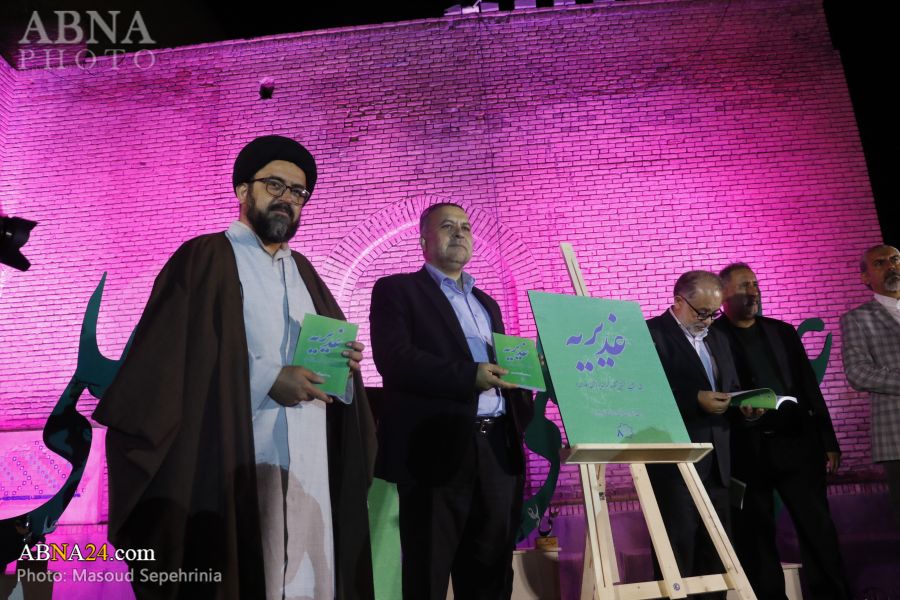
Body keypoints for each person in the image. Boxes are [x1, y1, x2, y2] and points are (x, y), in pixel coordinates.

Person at [93, 135, 376, 600]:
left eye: (298, 192)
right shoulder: (204, 258)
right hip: (235, 458)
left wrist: (344, 368)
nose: (287, 198)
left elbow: (326, 365)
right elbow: (168, 362)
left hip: (310, 460)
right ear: (244, 190)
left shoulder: (306, 272)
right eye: (275, 185)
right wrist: (269, 379)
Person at [368, 202, 533, 600]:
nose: (460, 232)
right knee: (428, 571)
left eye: (466, 226)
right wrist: (468, 376)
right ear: (423, 240)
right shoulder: (397, 290)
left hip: (497, 450)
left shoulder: (487, 303)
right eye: (447, 226)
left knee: (491, 572)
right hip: (435, 451)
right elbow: (394, 358)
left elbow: (505, 369)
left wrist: (531, 373)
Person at [714, 262, 849, 600]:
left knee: (817, 528)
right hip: (746, 451)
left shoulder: (782, 331)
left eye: (755, 285)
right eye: (744, 286)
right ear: (723, 295)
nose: (753, 292)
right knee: (755, 535)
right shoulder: (712, 337)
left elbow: (809, 387)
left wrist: (828, 440)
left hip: (797, 444)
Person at [646, 270, 739, 598]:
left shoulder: (718, 338)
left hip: (718, 462)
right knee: (677, 553)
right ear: (678, 301)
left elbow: (730, 385)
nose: (709, 321)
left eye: (715, 313)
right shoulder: (650, 334)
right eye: (702, 313)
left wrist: (742, 405)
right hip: (674, 464)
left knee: (717, 555)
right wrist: (694, 399)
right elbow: (645, 393)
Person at [840, 244, 900, 530]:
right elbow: (858, 373)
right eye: (880, 263)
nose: (891, 265)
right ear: (865, 277)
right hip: (896, 436)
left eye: (895, 259)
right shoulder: (857, 319)